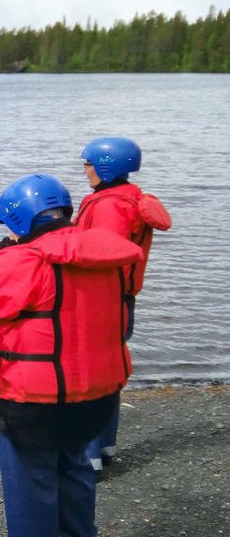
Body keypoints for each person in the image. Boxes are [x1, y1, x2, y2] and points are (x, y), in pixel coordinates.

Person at [0, 173, 143, 537]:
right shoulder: (105, 257)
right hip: (95, 392)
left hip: (34, 396)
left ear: (19, 218)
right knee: (74, 462)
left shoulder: (22, 261)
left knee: (31, 474)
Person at [77, 136, 172, 472]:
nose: (84, 169)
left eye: (87, 164)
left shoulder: (108, 206)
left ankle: (88, 457)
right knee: (108, 371)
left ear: (105, 167)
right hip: (121, 300)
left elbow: (102, 256)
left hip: (103, 301)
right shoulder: (130, 198)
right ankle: (103, 446)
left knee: (88, 374)